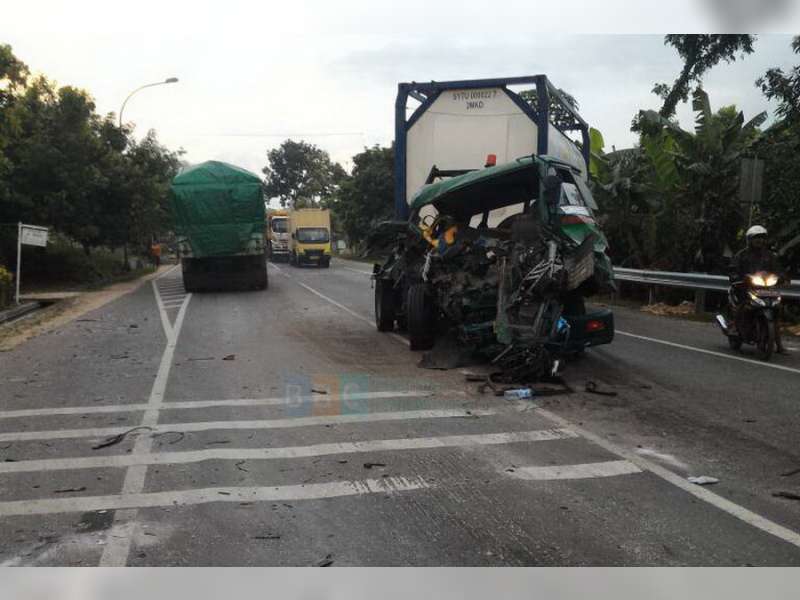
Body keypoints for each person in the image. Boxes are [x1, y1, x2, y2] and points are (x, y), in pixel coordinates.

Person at [729, 225, 788, 354]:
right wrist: (739, 278)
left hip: (766, 288)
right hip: (745, 287)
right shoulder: (741, 255)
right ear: (749, 240)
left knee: (777, 310)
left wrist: (782, 277)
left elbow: (778, 269)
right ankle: (734, 326)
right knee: (743, 305)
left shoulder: (770, 256)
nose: (759, 241)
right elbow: (733, 270)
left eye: (761, 238)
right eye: (756, 238)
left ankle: (779, 344)